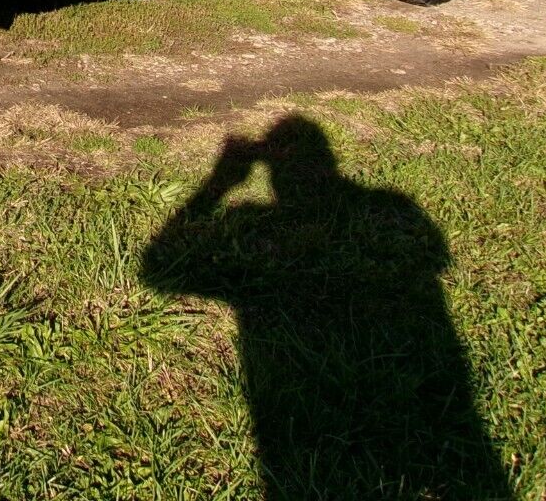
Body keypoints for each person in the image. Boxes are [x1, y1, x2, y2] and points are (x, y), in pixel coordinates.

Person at [140, 115, 512, 499]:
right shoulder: (389, 207)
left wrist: (218, 184)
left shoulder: (263, 216)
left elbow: (155, 270)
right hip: (423, 407)